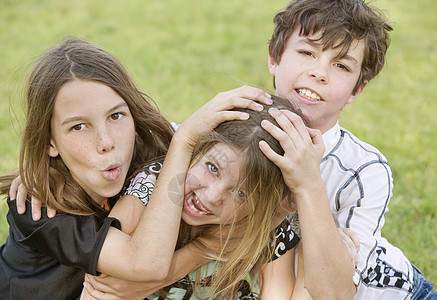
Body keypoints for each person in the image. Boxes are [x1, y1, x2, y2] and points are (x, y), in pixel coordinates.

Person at [0, 37, 272, 299]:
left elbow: (256, 200)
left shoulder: (145, 152)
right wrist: (184, 142)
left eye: (116, 115)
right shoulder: (39, 210)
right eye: (78, 127)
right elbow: (146, 264)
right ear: (49, 142)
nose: (106, 143)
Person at [264, 0, 437, 299]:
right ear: (274, 57)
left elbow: (337, 292)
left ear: (356, 89)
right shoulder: (238, 136)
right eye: (307, 52)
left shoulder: (364, 170)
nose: (319, 73)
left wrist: (309, 183)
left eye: (341, 65)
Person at [84, 94, 307, 300]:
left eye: (240, 194)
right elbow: (100, 286)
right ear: (197, 149)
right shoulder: (153, 184)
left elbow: (277, 292)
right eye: (212, 168)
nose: (212, 196)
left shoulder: (267, 219)